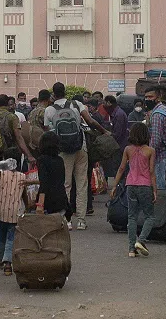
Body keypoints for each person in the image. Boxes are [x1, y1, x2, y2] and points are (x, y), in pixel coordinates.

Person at [43, 82, 106, 231]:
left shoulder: (50, 110)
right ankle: (81, 221)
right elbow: (90, 121)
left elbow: (47, 131)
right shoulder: (76, 104)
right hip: (80, 147)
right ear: (65, 92)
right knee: (82, 184)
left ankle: (67, 219)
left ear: (53, 94)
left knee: (65, 184)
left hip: (63, 151)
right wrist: (104, 131)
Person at [110, 123, 159, 258]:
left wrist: (114, 186)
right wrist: (155, 190)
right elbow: (151, 172)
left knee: (132, 216)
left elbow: (121, 168)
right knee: (149, 216)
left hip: (130, 184)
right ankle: (141, 240)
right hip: (145, 185)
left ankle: (131, 249)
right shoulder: (150, 151)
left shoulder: (127, 149)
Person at [0, 152, 29, 276]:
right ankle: (7, 262)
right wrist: (27, 208)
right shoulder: (22, 176)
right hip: (15, 212)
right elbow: (24, 196)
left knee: (1, 236)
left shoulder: (1, 174)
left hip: (1, 211)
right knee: (11, 238)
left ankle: (2, 259)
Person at [143, 86, 166, 189]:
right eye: (146, 97)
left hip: (160, 157)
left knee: (160, 188)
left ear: (158, 97)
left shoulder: (157, 114)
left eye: (150, 97)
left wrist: (146, 156)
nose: (147, 99)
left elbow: (155, 141)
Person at [35, 131, 69, 219]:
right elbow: (57, 178)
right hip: (61, 198)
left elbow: (44, 183)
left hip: (48, 200)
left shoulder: (42, 160)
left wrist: (40, 204)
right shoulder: (60, 160)